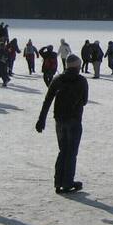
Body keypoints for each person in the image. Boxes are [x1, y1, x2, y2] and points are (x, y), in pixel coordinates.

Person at [36, 55, 89, 194]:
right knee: (71, 153)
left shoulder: (57, 79)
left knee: (63, 151)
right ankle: (67, 183)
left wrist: (41, 120)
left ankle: (58, 182)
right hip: (74, 120)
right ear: (77, 66)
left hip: (59, 120)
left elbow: (47, 100)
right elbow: (84, 100)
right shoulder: (81, 80)